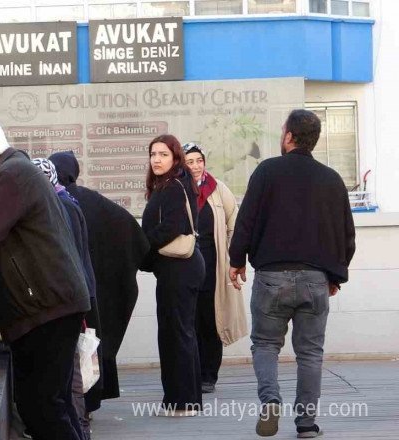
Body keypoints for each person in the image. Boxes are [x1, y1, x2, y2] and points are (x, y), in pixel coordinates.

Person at [0, 116, 90, 440]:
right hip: (53, 302)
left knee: (41, 407)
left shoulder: (10, 176)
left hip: (46, 306)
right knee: (51, 405)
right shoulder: (17, 171)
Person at [229, 110, 355, 438]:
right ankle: (307, 424)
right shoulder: (332, 179)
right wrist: (335, 276)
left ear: (288, 137)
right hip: (315, 279)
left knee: (266, 344)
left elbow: (246, 220)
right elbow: (346, 234)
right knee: (311, 352)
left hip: (271, 276)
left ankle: (270, 399)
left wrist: (236, 260)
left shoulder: (267, 171)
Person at [50, 151, 150, 406]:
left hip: (68, 286)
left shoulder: (55, 201)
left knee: (72, 344)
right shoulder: (92, 200)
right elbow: (130, 229)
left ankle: (77, 403)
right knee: (93, 341)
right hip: (98, 286)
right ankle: (90, 401)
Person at [33, 158, 99, 440]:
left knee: (71, 373)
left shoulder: (60, 206)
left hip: (70, 297)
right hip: (77, 294)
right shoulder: (66, 200)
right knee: (71, 370)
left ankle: (80, 429)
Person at [140, 134, 205, 416]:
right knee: (181, 333)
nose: (157, 159)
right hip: (180, 268)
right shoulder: (171, 185)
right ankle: (187, 400)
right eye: (153, 154)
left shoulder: (173, 187)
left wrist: (141, 243)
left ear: (175, 158)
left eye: (164, 154)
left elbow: (173, 226)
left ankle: (181, 403)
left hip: (180, 269)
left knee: (175, 335)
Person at [183, 142, 249, 394]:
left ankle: (209, 375)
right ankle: (191, 372)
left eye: (199, 160)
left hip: (214, 265)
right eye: (190, 162)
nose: (196, 166)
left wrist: (234, 258)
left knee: (212, 319)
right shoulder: (177, 190)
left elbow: (235, 224)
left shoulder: (218, 189)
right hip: (187, 264)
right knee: (190, 320)